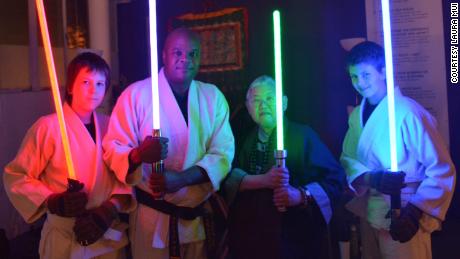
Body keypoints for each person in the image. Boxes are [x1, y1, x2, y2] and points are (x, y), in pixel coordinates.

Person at [102, 27, 234, 259]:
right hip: (153, 221)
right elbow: (113, 148)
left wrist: (181, 179)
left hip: (197, 222)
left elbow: (223, 154)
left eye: (193, 54)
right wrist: (138, 155)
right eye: (177, 52)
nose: (186, 59)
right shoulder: (135, 95)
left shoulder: (213, 96)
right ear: (163, 55)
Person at [4, 52, 135, 259]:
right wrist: (52, 200)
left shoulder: (110, 125)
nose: (94, 90)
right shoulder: (47, 127)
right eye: (85, 82)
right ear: (71, 87)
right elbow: (16, 176)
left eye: (100, 84)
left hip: (106, 237)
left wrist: (109, 210)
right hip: (65, 240)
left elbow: (125, 177)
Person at [341, 41, 456, 259]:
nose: (360, 83)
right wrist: (371, 178)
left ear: (383, 71)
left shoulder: (409, 112)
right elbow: (348, 157)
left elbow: (441, 168)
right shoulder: (357, 115)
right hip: (371, 213)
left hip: (403, 212)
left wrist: (416, 212)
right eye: (354, 76)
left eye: (366, 74)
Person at [222, 75, 345, 259]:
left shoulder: (303, 136)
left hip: (294, 238)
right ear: (248, 108)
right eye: (256, 101)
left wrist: (301, 195)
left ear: (284, 102)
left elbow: (336, 180)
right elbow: (226, 180)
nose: (262, 105)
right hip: (251, 239)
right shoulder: (241, 141)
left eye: (269, 98)